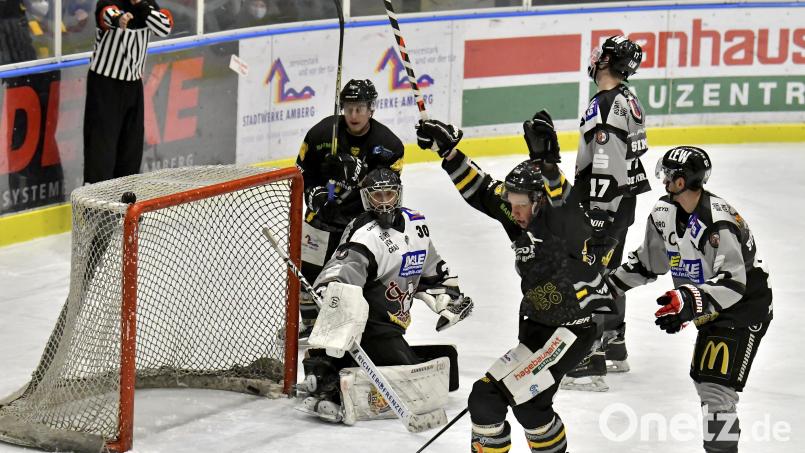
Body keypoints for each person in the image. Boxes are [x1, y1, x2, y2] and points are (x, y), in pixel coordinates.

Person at [415, 115, 616, 453]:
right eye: (512, 204)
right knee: (530, 408)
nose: (515, 212)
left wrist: (549, 167)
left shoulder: (561, 222)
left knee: (486, 398)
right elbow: (482, 190)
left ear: (539, 201)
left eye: (521, 205)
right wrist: (449, 153)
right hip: (538, 328)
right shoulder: (519, 211)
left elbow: (565, 205)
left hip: (572, 330)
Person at [607, 146, 772, 453]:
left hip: (745, 305)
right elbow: (649, 263)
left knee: (715, 389)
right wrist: (607, 288)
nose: (664, 179)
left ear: (681, 182)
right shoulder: (663, 211)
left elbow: (733, 283)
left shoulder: (717, 222)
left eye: (669, 174)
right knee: (706, 384)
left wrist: (688, 300)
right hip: (709, 303)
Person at [300, 167, 473, 423]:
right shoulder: (364, 234)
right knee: (415, 381)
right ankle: (334, 388)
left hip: (394, 326)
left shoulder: (416, 224)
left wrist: (446, 295)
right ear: (366, 198)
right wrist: (331, 289)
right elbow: (343, 268)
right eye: (376, 196)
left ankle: (324, 368)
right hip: (370, 328)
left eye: (388, 194)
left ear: (398, 195)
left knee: (448, 365)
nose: (383, 202)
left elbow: (431, 268)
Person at [562, 34, 650, 391]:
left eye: (601, 55)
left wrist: (598, 212)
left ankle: (587, 362)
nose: (594, 59)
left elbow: (606, 159)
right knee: (609, 271)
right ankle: (615, 343)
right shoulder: (628, 98)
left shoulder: (607, 102)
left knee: (585, 273)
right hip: (623, 198)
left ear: (607, 62)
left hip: (604, 199)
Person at [295, 79, 404, 339]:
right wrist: (315, 194)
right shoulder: (322, 134)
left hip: (360, 223)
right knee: (308, 273)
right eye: (349, 108)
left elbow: (387, 188)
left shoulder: (389, 144)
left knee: (354, 276)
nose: (353, 115)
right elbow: (301, 171)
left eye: (360, 109)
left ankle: (354, 325)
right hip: (322, 217)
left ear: (371, 109)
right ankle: (310, 325)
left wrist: (360, 172)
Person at [82, 0, 172, 184]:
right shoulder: (111, 2)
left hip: (133, 87)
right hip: (105, 85)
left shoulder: (148, 6)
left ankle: (123, 208)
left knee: (130, 154)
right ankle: (93, 209)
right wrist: (119, 19)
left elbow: (164, 27)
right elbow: (106, 14)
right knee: (101, 154)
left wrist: (142, 6)